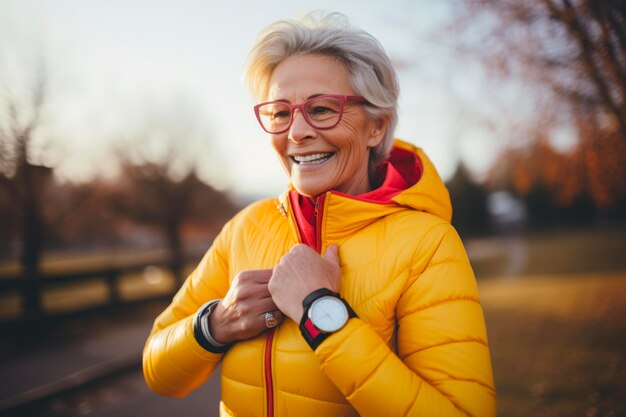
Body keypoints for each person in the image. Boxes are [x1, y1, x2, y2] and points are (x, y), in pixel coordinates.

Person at [143, 12, 496, 417]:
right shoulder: (245, 228)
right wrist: (218, 323)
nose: (296, 132)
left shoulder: (426, 244)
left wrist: (322, 313)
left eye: (323, 109)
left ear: (376, 126)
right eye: (279, 113)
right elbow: (158, 370)